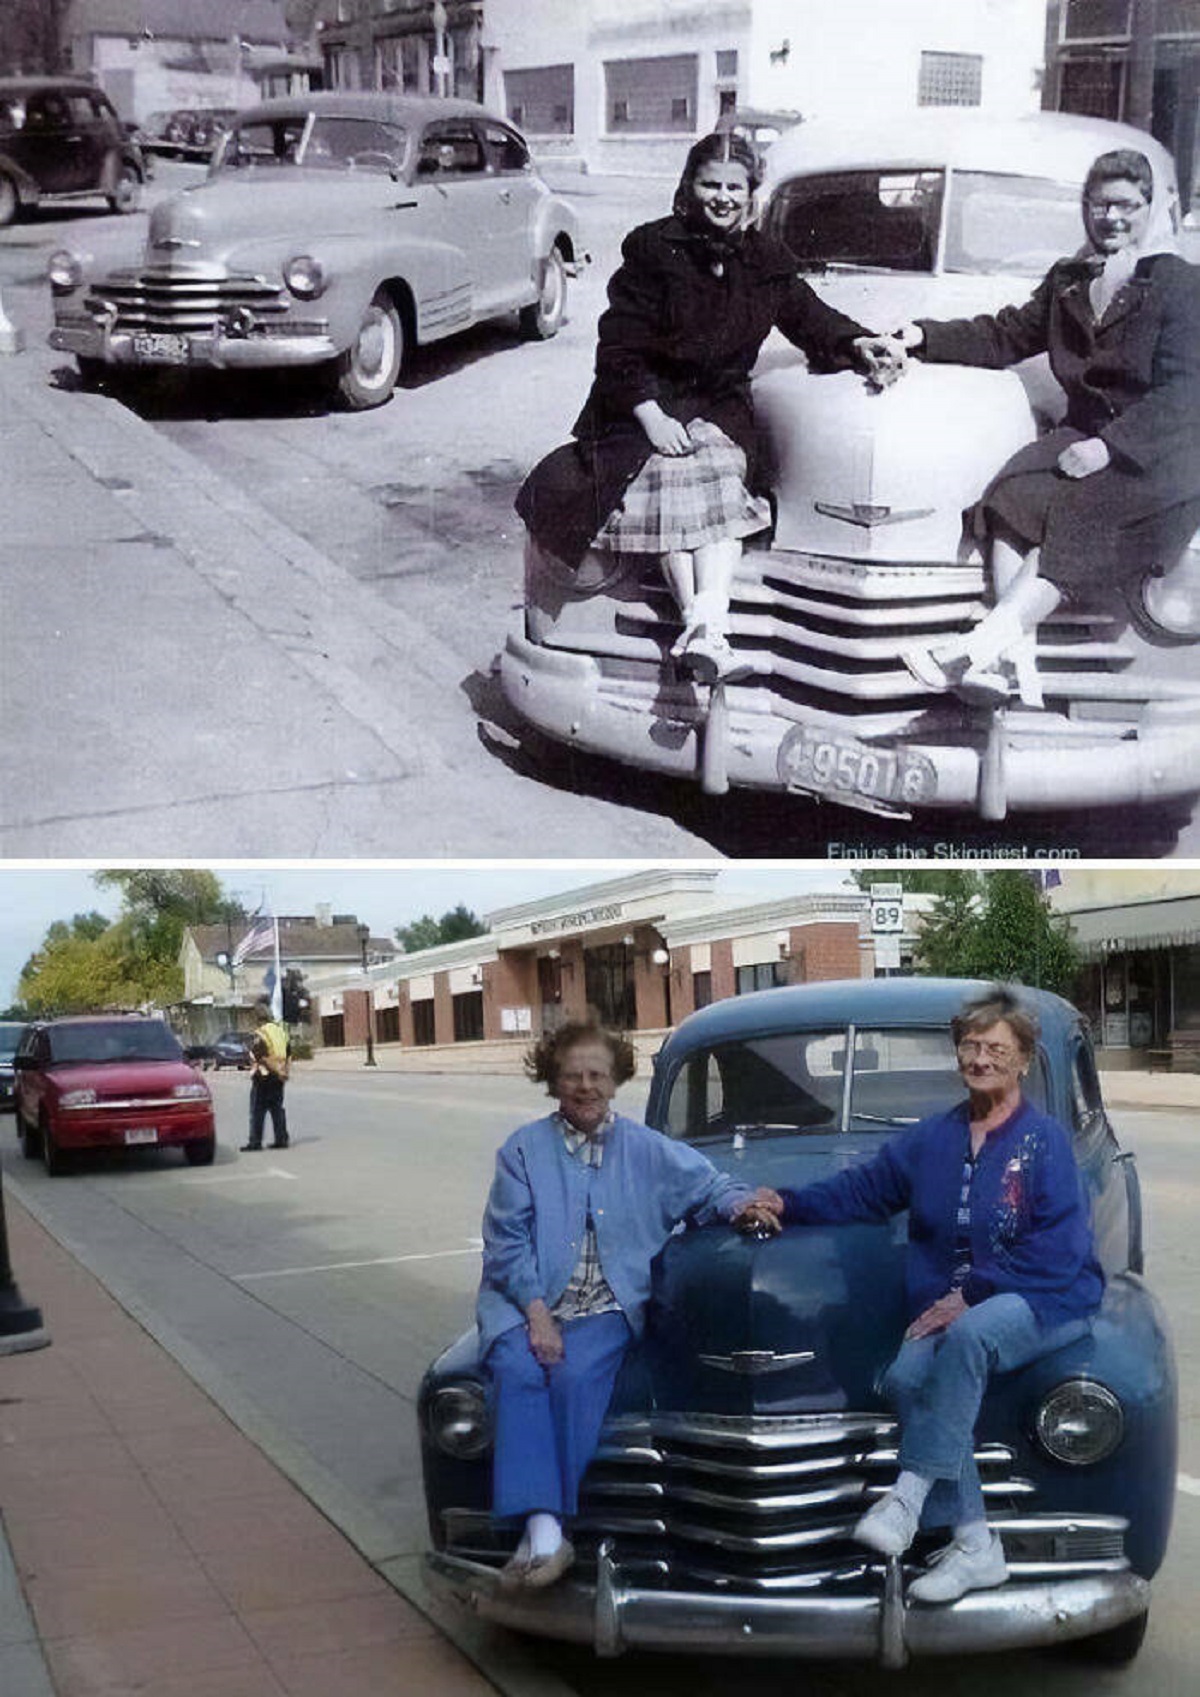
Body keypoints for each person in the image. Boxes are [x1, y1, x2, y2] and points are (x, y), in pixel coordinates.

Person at [736, 986, 1103, 1604]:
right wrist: (788, 1202)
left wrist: (972, 1294)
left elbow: (1060, 1251)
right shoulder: (933, 1139)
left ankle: (906, 1499)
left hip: (1048, 1297)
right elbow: (863, 1190)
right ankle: (973, 1540)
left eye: (995, 1048)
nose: (980, 1058)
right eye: (969, 1046)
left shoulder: (1044, 1143)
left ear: (1021, 1060)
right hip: (955, 1302)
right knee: (907, 1379)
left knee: (970, 1333)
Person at [515, 131, 906, 683]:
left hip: (719, 407)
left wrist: (857, 344)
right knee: (668, 473)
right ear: (689, 187)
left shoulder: (766, 260)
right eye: (710, 184)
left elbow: (810, 319)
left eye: (734, 187)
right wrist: (650, 415)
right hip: (644, 403)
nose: (722, 197)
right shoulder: (652, 250)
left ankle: (703, 624)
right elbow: (619, 345)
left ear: (751, 195)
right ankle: (708, 626)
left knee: (719, 472)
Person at [897, 148, 1200, 705]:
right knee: (1010, 498)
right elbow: (1004, 335)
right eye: (1100, 204)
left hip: (1161, 454)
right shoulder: (1070, 278)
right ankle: (1014, 660)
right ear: (1086, 207)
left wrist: (1110, 449)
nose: (1112, 218)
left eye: (1127, 205)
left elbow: (1188, 392)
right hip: (1084, 437)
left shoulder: (1181, 284)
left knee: (1079, 513)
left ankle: (979, 645)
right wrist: (921, 337)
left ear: (1150, 208)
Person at [477, 1018, 771, 1589]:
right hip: (525, 1302)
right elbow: (505, 1242)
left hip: (606, 1305)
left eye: (596, 1075)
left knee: (573, 1375)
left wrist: (741, 1207)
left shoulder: (648, 1149)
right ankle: (546, 1532)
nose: (584, 1086)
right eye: (571, 1076)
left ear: (615, 1081)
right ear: (552, 1081)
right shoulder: (522, 1150)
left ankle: (540, 1535)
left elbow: (711, 1187)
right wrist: (537, 1315)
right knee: (516, 1367)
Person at [242, 1002, 290, 1152]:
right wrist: (284, 1073)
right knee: (277, 1109)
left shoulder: (260, 1034)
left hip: (264, 1077)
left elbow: (261, 1057)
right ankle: (281, 1139)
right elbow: (288, 1055)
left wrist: (274, 1070)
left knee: (257, 1111)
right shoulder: (281, 1032)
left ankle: (255, 1142)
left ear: (257, 1018)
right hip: (279, 1078)